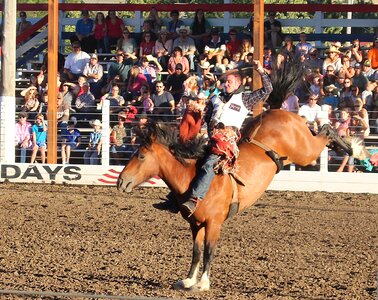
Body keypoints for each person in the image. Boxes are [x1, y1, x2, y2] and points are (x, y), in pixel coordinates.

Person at [181, 60, 273, 215]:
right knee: (184, 157)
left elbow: (267, 90)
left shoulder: (245, 98)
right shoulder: (215, 99)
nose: (226, 84)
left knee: (210, 163)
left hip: (227, 142)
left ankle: (194, 198)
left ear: (238, 83)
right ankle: (174, 198)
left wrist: (260, 71)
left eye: (229, 82)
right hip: (210, 138)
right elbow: (206, 119)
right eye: (225, 82)